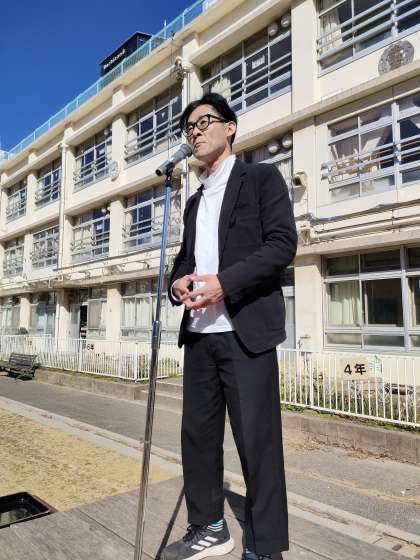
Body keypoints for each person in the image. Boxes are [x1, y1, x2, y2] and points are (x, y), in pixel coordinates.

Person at [163, 93, 297, 560]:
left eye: (204, 122)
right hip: (200, 336)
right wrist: (176, 283)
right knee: (197, 439)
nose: (195, 132)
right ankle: (209, 527)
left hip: (245, 334)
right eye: (189, 127)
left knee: (257, 443)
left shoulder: (261, 178)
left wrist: (224, 283)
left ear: (230, 127)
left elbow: (282, 245)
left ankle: (264, 546)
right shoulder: (194, 201)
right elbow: (184, 260)